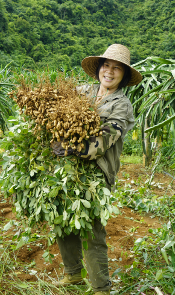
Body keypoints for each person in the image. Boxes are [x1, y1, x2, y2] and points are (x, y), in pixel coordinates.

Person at [51, 44, 142, 295]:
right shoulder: (84, 92)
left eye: (116, 68)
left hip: (97, 174)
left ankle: (101, 288)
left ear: (123, 75)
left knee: (92, 232)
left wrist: (70, 148)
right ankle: (72, 275)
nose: (109, 72)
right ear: (99, 69)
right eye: (106, 66)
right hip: (67, 170)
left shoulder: (121, 105)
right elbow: (58, 111)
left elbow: (102, 143)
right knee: (64, 222)